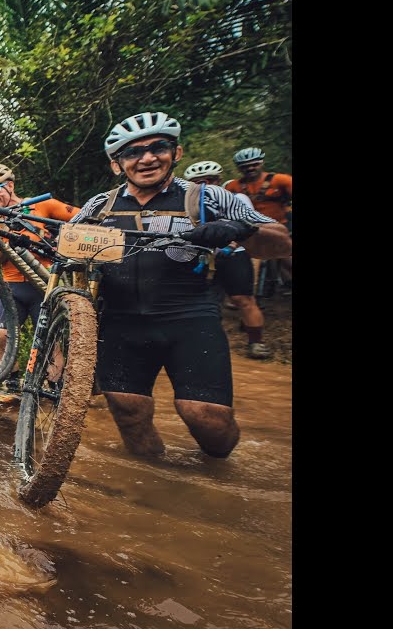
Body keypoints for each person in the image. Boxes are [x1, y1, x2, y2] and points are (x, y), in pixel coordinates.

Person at [68, 112, 291, 459]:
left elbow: (281, 242)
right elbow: (63, 251)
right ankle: (156, 490)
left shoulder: (210, 197)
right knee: (129, 414)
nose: (146, 158)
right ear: (117, 165)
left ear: (177, 152)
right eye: (132, 153)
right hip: (121, 322)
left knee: (207, 420)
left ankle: (221, 472)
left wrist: (238, 229)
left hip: (189, 317)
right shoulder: (99, 206)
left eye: (157, 147)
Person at [0, 164, 80, 402]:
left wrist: (62, 239)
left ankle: (55, 387)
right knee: (0, 336)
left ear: (10, 186)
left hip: (44, 283)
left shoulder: (41, 205)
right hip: (11, 286)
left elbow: (81, 217)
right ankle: (11, 386)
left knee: (49, 342)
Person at [183, 161, 272, 359]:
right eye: (197, 182)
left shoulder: (235, 197)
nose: (205, 184)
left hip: (235, 253)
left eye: (209, 180)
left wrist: (231, 245)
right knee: (203, 300)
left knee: (243, 299)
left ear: (219, 179)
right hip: (203, 256)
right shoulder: (189, 201)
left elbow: (250, 224)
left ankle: (256, 342)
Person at [223, 147, 293, 292]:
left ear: (261, 163)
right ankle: (247, 290)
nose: (250, 168)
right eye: (245, 166)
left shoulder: (281, 180)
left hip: (279, 226)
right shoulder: (233, 186)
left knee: (286, 254)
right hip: (249, 229)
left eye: (254, 164)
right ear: (239, 168)